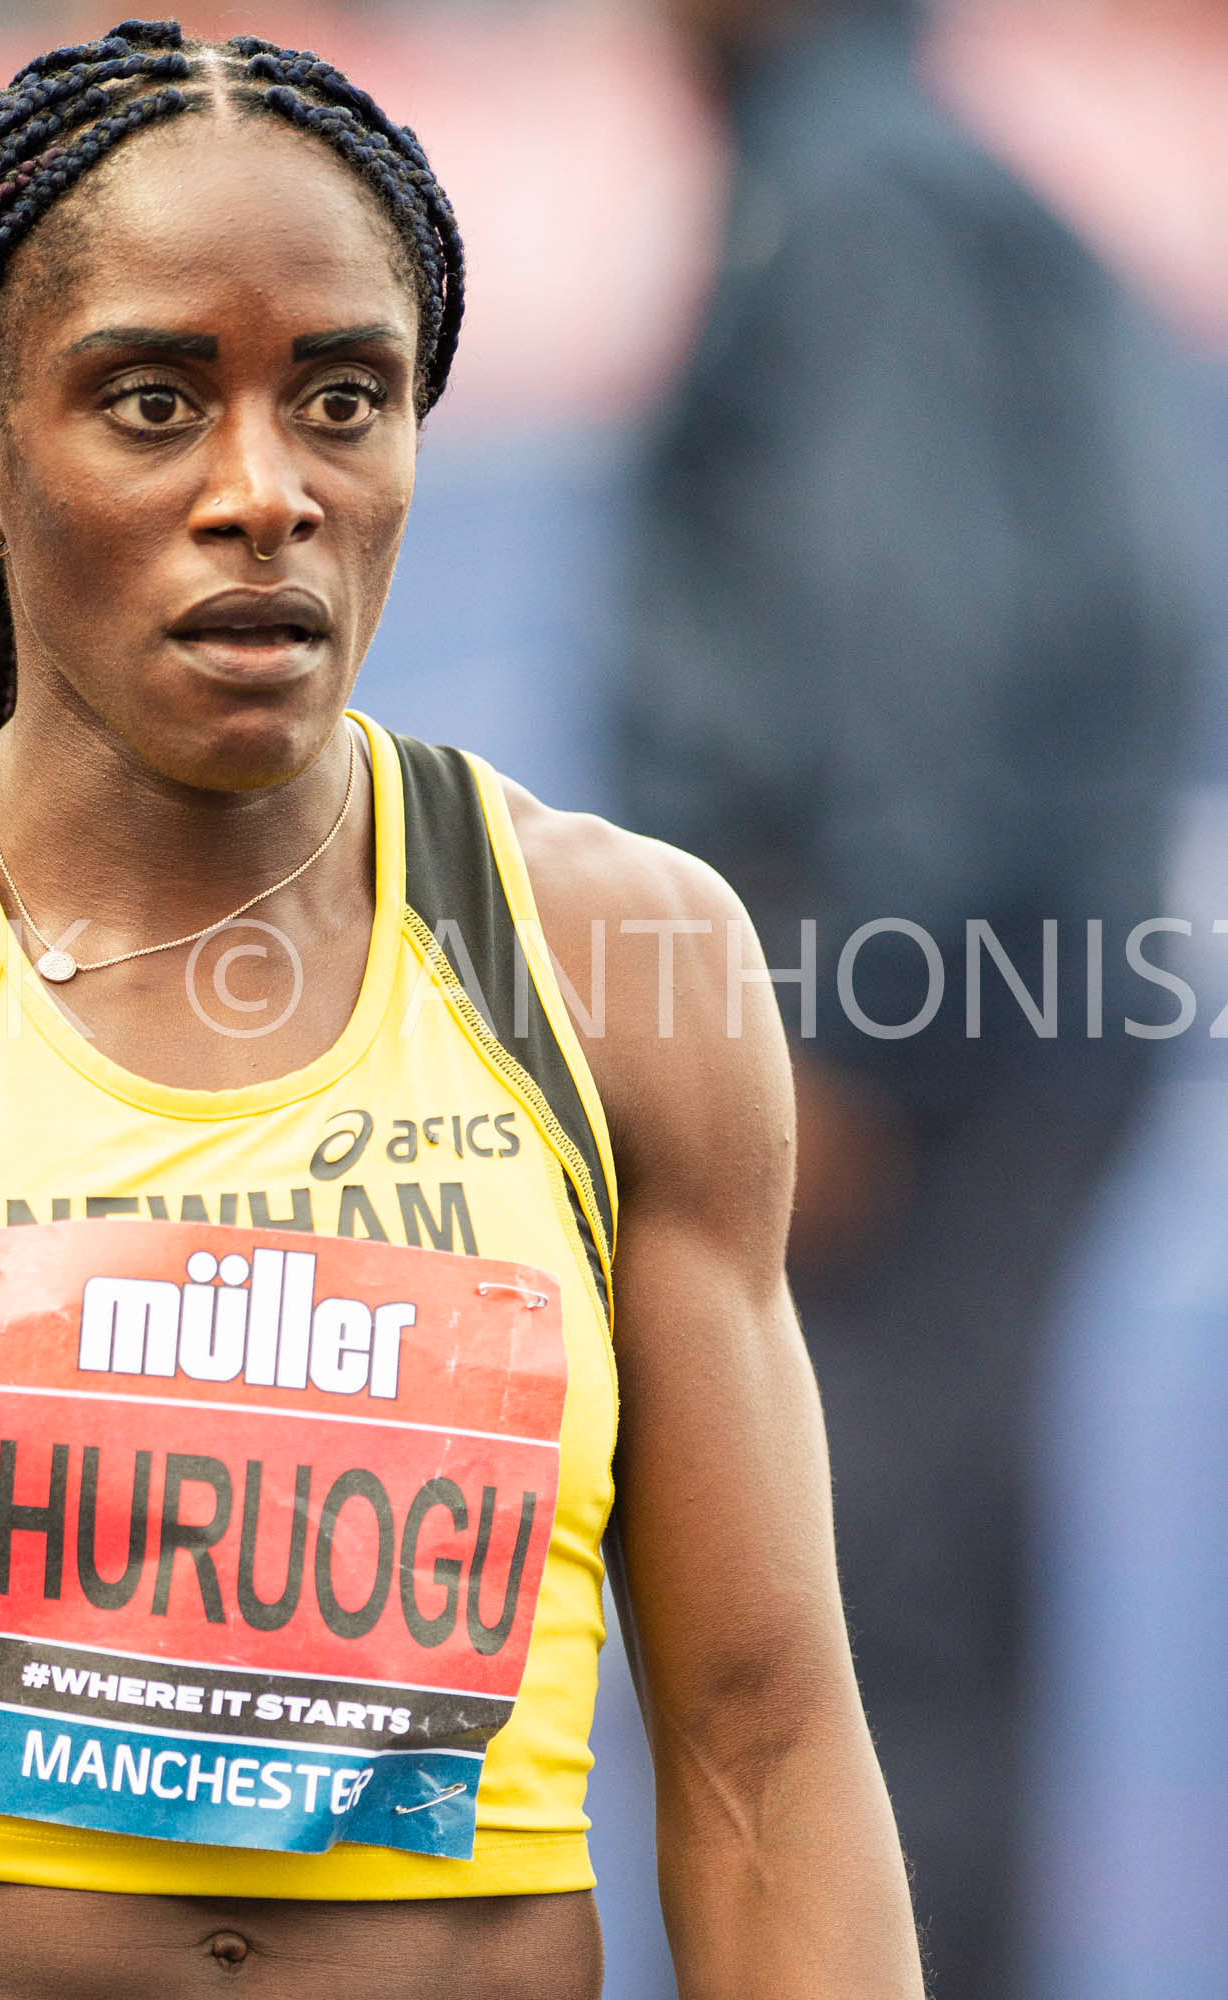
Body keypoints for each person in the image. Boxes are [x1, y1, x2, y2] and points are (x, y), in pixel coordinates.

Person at [0, 23, 923, 1999]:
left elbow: (765, 1748)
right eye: (152, 401)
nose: (262, 492)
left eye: (342, 399)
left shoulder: (620, 975)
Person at [624, 1, 1204, 1991]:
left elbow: (921, 635)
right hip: (1022, 998)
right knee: (936, 1596)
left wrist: (846, 1028)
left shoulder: (853, 194)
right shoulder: (935, 170)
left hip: (913, 1029)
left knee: (850, 1624)